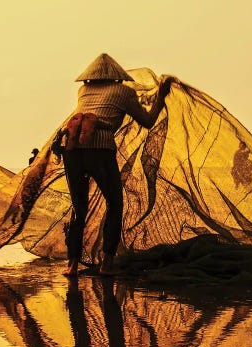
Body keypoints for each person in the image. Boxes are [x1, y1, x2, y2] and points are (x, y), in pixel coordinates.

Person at [61, 53, 172, 277]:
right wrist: (161, 95)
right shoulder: (123, 91)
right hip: (100, 150)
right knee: (115, 203)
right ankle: (107, 263)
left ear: (90, 78)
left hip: (71, 149)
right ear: (117, 78)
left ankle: (71, 265)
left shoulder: (83, 91)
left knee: (78, 207)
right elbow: (148, 121)